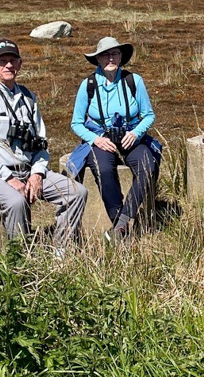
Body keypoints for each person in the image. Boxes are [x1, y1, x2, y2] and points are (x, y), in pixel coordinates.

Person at [0, 39, 87, 246]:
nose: (8, 65)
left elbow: (41, 143)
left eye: (13, 60)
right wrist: (9, 178)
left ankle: (61, 253)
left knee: (76, 192)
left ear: (20, 64)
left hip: (28, 170)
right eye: (2, 61)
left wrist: (38, 173)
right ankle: (19, 258)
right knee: (16, 201)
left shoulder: (29, 98)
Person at [69, 36, 162, 239]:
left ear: (121, 57)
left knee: (148, 164)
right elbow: (76, 123)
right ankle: (121, 227)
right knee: (102, 168)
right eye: (105, 55)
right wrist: (96, 140)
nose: (110, 58)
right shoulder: (88, 86)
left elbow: (149, 115)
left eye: (115, 54)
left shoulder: (134, 81)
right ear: (98, 59)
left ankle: (121, 222)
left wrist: (135, 133)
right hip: (101, 138)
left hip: (129, 135)